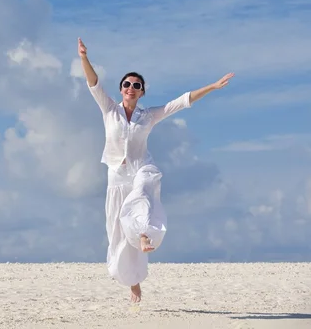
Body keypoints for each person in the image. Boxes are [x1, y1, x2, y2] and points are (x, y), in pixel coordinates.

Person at [77, 37, 234, 303]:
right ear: (121, 89)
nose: (131, 88)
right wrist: (83, 57)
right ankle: (133, 281)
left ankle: (145, 234)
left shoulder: (148, 115)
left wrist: (213, 86)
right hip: (116, 176)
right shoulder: (109, 110)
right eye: (127, 84)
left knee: (142, 196)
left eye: (136, 85)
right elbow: (93, 84)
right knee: (115, 231)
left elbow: (181, 102)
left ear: (141, 92)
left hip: (141, 169)